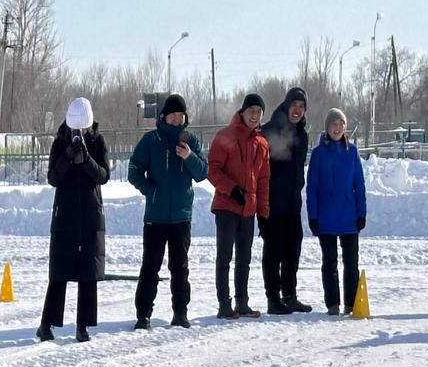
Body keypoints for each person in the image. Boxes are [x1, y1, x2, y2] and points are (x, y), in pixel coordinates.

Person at [127, 93, 208, 329]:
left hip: (181, 217)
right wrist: (149, 191)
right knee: (150, 266)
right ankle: (143, 315)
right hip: (155, 217)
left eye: (180, 115)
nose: (176, 119)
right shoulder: (151, 140)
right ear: (164, 117)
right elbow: (134, 169)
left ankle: (180, 313)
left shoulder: (190, 141)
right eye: (172, 115)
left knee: (180, 267)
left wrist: (189, 157)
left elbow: (203, 173)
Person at [38, 97, 109, 343]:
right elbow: (53, 179)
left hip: (90, 215)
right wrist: (67, 157)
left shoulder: (98, 142)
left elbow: (103, 176)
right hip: (65, 215)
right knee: (59, 272)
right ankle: (46, 324)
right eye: (75, 129)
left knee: (88, 273)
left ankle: (83, 326)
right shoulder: (59, 144)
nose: (79, 133)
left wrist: (87, 161)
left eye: (83, 129)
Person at [208, 92, 271, 319]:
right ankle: (224, 304)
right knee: (224, 256)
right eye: (251, 111)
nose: (254, 116)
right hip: (226, 206)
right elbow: (212, 170)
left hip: (249, 209)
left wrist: (263, 212)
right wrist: (231, 189)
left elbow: (264, 180)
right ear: (242, 112)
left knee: (244, 257)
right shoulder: (226, 136)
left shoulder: (262, 144)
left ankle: (242, 302)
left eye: (259, 112)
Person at [259, 87, 315, 314]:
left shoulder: (302, 134)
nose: (297, 110)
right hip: (272, 201)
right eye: (294, 105)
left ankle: (289, 295)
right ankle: (273, 298)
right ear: (286, 105)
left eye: (302, 107)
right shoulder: (269, 130)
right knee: (273, 251)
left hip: (293, 201)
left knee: (293, 249)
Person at [306, 108, 367, 315]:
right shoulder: (318, 154)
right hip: (326, 216)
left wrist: (361, 213)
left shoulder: (352, 152)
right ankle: (332, 303)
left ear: (345, 127)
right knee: (329, 262)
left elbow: (359, 184)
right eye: (333, 123)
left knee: (351, 262)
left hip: (349, 215)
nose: (337, 127)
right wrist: (313, 216)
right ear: (327, 127)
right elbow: (312, 186)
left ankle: (351, 302)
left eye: (340, 124)